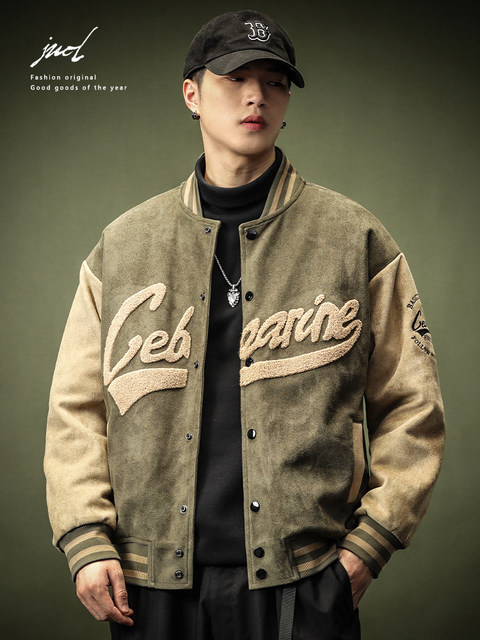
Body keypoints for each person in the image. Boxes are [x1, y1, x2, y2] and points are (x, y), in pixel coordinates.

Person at [44, 9, 445, 640]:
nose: (256, 96)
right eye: (234, 78)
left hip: (304, 578)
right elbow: (76, 408)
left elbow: (413, 406)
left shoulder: (354, 238)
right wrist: (85, 537)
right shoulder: (123, 246)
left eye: (274, 82)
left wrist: (368, 547)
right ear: (192, 95)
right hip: (149, 582)